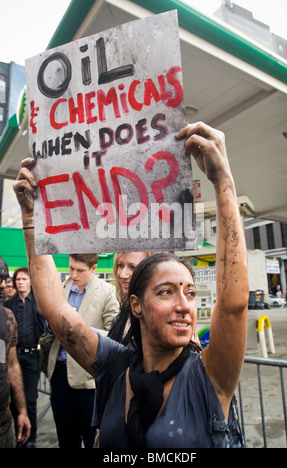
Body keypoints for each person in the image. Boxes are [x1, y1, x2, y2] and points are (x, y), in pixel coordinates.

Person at [13, 121, 249, 448]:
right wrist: (29, 218)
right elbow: (54, 307)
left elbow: (234, 305)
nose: (184, 304)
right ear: (135, 304)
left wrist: (223, 182)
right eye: (166, 291)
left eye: (190, 292)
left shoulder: (209, 376)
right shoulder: (115, 365)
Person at [47, 253, 119, 448]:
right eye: (71, 268)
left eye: (80, 270)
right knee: (65, 437)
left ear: (94, 268)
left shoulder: (107, 292)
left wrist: (83, 330)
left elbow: (115, 334)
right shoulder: (61, 288)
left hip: (89, 379)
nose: (74, 274)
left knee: (91, 439)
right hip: (60, 373)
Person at [4, 267, 44, 448]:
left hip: (32, 357)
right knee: (12, 397)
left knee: (29, 399)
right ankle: (18, 435)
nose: (20, 282)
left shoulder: (38, 303)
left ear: (30, 281)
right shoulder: (8, 306)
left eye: (24, 279)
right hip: (12, 356)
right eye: (17, 279)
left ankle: (31, 438)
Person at [0, 303, 31, 448]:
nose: (3, 284)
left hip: (4, 427)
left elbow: (8, 364)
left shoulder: (5, 317)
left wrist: (22, 411)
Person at [108, 252, 152, 345]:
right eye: (120, 265)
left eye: (132, 267)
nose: (123, 275)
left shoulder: (156, 316)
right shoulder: (126, 309)